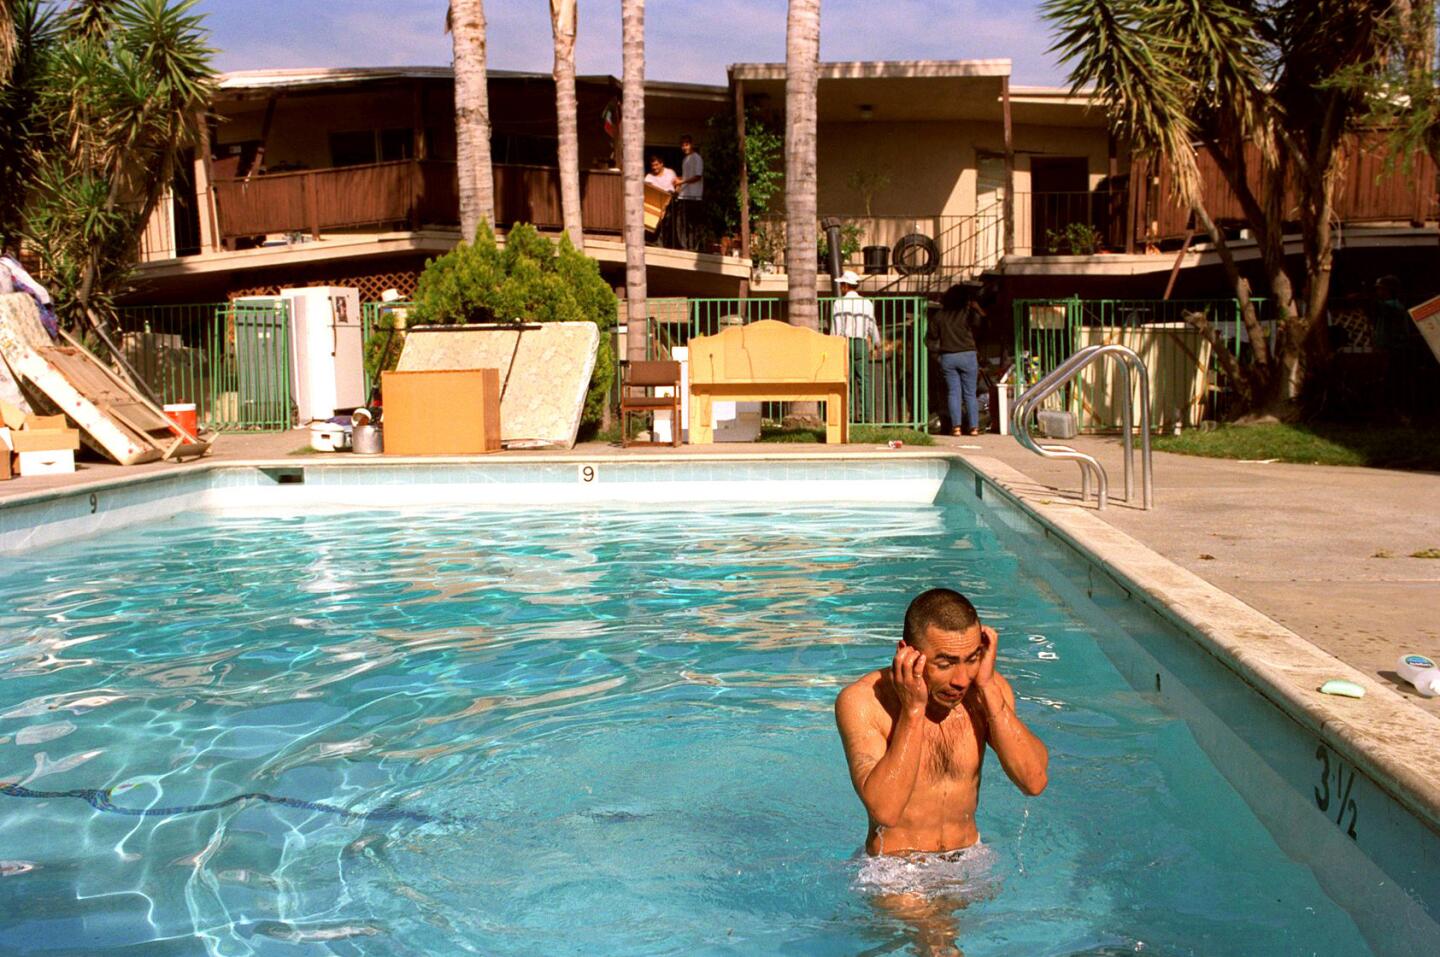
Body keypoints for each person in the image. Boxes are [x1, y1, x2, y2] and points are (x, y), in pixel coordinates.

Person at [835, 588, 1048, 859]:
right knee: (907, 904)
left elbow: (1034, 781)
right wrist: (913, 710)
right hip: (897, 868)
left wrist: (988, 687)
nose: (961, 679)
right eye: (945, 663)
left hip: (970, 856)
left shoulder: (985, 692)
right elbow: (885, 811)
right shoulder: (863, 702)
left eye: (971, 659)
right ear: (907, 653)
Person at [926, 284, 985, 436]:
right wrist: (977, 308)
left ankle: (956, 427)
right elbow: (982, 324)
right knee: (970, 394)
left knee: (953, 392)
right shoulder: (967, 314)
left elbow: (930, 339)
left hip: (948, 356)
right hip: (968, 355)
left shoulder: (939, 316)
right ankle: (974, 427)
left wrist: (937, 356)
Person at [831, 271, 882, 422]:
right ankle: (866, 416)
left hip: (844, 341)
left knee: (846, 379)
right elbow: (872, 324)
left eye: (842, 284)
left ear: (846, 286)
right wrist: (876, 342)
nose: (840, 287)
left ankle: (848, 415)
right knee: (864, 380)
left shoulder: (839, 303)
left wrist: (834, 343)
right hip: (861, 342)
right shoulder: (866, 303)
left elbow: (836, 326)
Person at [671, 134, 704, 251]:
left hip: (694, 196)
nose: (684, 147)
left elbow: (697, 176)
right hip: (684, 195)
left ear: (692, 144)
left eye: (686, 144)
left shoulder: (697, 158)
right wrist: (679, 183)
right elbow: (686, 177)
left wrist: (681, 181)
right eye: (682, 145)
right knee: (681, 223)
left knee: (693, 225)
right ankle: (685, 247)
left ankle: (693, 247)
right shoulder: (685, 159)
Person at [644, 154, 679, 245]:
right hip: (655, 202)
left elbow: (677, 186)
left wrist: (676, 193)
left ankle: (663, 242)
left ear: (661, 164)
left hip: (669, 200)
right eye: (652, 166)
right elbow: (646, 191)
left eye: (656, 165)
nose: (654, 168)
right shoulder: (649, 177)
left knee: (667, 217)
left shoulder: (670, 173)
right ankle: (652, 240)